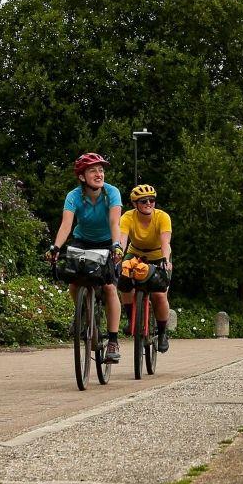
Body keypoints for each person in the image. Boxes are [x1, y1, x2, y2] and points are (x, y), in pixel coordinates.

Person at [50, 152, 126, 363]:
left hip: (106, 242)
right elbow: (67, 224)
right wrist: (56, 247)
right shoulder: (73, 196)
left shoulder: (112, 193)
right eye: (93, 170)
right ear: (82, 176)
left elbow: (114, 223)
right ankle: (83, 313)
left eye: (101, 170)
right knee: (74, 283)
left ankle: (112, 340)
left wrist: (117, 246)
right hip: (82, 240)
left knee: (110, 287)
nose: (99, 174)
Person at [117, 184, 173, 352]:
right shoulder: (127, 217)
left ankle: (162, 333)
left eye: (152, 200)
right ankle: (131, 318)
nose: (148, 203)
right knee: (124, 281)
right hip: (135, 254)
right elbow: (122, 240)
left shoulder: (162, 217)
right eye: (143, 201)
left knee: (159, 295)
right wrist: (118, 254)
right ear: (135, 204)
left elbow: (166, 242)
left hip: (158, 256)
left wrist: (165, 260)